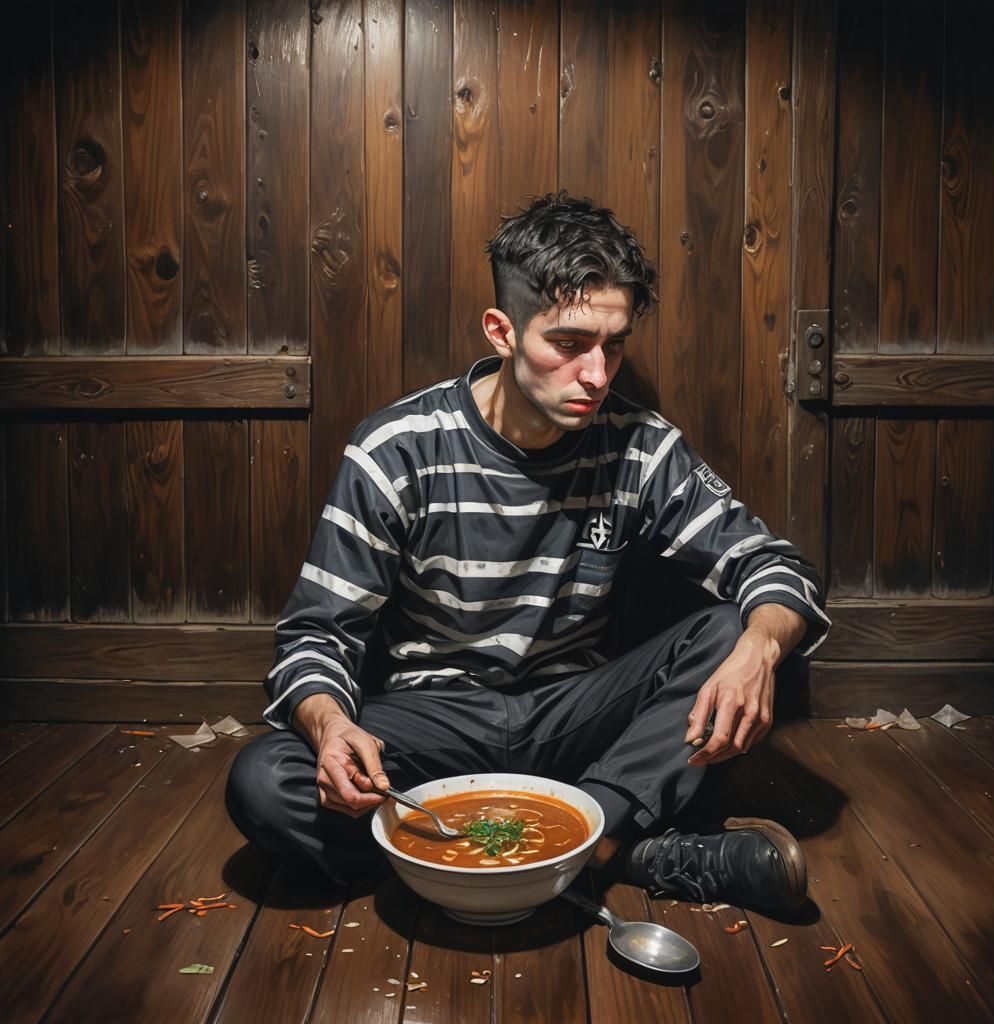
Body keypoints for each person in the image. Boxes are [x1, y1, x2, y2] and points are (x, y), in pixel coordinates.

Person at [227, 192, 830, 911]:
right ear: (502, 331)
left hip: (569, 716)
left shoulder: (638, 444)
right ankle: (629, 853)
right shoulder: (397, 449)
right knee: (265, 781)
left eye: (615, 346)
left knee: (740, 627)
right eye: (569, 344)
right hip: (431, 725)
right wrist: (331, 727)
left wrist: (759, 649)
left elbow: (777, 567)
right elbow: (316, 633)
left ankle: (587, 839)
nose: (598, 375)